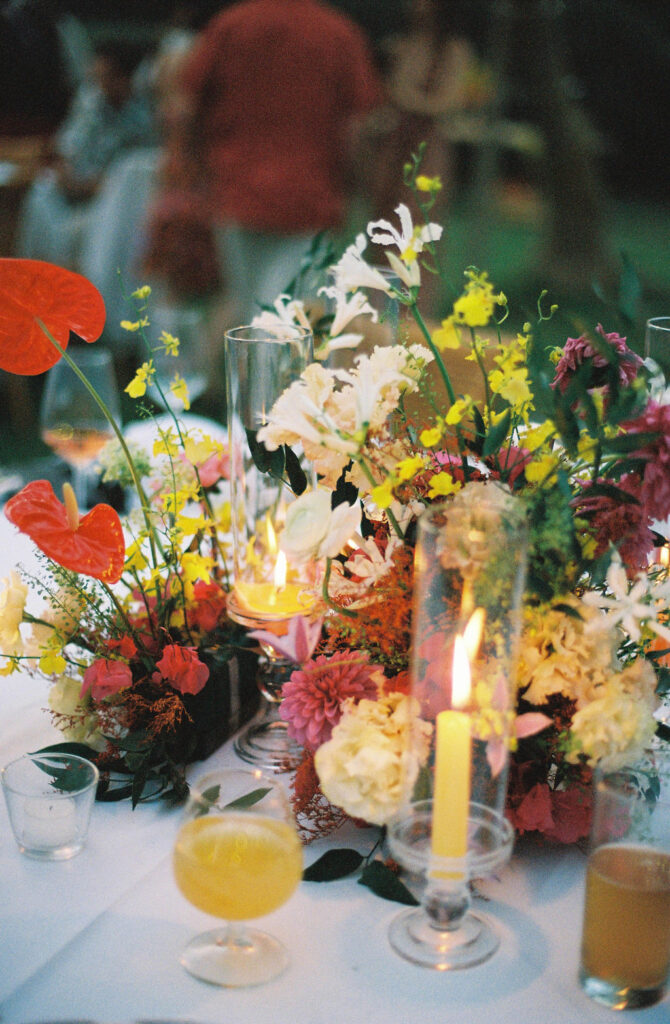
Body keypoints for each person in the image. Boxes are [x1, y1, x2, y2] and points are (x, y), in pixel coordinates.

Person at [176, 0, 383, 328]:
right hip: (310, 199)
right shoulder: (339, 33)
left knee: (252, 316)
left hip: (236, 191)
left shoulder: (231, 24)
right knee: (292, 322)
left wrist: (193, 170)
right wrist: (361, 187)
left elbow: (185, 107)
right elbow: (358, 129)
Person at [15, 38, 157, 270]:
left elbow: (137, 174)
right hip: (75, 188)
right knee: (39, 194)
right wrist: (65, 173)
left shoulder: (145, 114)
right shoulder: (90, 99)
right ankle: (32, 272)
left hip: (111, 198)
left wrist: (90, 186)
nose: (98, 83)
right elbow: (65, 146)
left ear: (125, 79)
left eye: (105, 77)